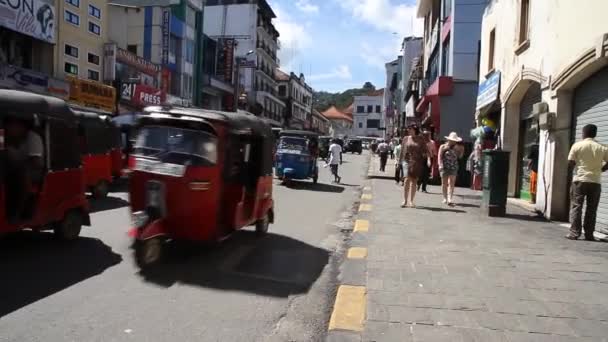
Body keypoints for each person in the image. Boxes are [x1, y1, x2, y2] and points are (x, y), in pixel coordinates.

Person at [566, 124, 608, 241]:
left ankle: (574, 233)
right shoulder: (602, 147)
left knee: (576, 207)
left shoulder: (577, 145)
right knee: (592, 208)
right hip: (595, 181)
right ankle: (589, 234)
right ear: (595, 134)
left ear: (584, 133)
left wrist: (573, 174)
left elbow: (570, 163)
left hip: (579, 180)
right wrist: (601, 169)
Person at [4, 117, 44, 222]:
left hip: (34, 171)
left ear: (22, 126)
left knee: (21, 175)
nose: (9, 128)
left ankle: (15, 213)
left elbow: (36, 162)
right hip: (12, 167)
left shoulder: (33, 138)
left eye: (13, 125)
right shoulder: (6, 136)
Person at [400, 125, 428, 208]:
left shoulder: (421, 139)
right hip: (407, 161)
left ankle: (411, 201)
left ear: (415, 130)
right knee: (406, 180)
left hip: (417, 162)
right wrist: (399, 162)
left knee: (414, 181)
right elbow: (402, 150)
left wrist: (425, 156)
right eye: (408, 129)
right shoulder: (405, 138)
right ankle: (405, 200)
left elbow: (424, 150)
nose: (409, 130)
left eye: (410, 129)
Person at [438, 132, 464, 206]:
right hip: (444, 167)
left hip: (454, 167)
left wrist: (462, 151)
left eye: (454, 140)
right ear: (448, 140)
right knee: (444, 183)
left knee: (451, 183)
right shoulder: (443, 146)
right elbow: (439, 157)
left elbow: (460, 157)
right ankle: (445, 198)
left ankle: (450, 198)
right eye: (452, 140)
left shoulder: (458, 147)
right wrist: (440, 165)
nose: (453, 141)